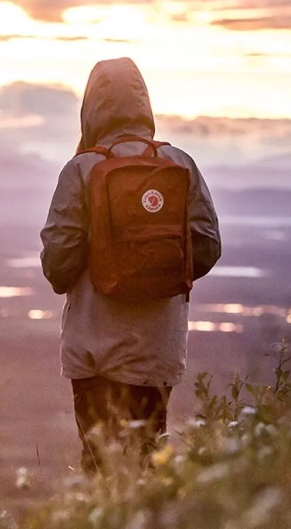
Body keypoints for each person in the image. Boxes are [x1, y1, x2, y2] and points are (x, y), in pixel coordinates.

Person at [40, 58, 221, 473]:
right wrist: (160, 276)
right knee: (146, 457)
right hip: (158, 346)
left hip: (94, 348)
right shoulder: (179, 163)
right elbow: (207, 247)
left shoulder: (82, 168)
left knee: (98, 463)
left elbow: (57, 265)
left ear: (91, 108)